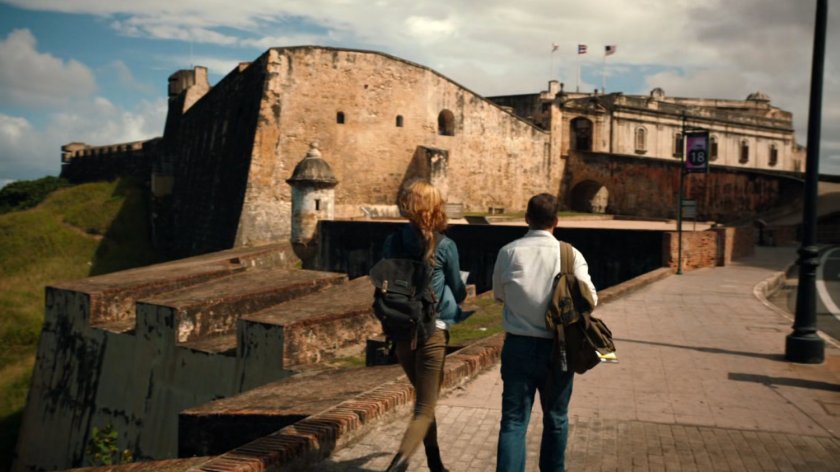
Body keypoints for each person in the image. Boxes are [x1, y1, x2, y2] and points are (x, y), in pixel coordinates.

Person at [492, 193, 598, 472]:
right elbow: (591, 299)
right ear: (556, 221)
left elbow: (499, 295)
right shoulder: (570, 254)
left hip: (519, 346)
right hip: (559, 348)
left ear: (526, 219)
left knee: (513, 422)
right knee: (556, 418)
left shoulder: (509, 252)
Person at [383, 180, 469, 472]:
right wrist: (462, 290)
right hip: (431, 331)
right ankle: (399, 464)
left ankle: (435, 462)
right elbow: (457, 291)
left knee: (424, 399)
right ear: (434, 207)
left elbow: (386, 283)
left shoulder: (392, 242)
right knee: (425, 406)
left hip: (400, 331)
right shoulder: (445, 246)